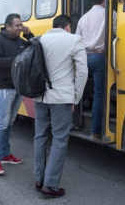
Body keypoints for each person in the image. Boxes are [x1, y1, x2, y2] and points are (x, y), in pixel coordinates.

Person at [33, 15, 87, 197]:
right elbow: (82, 72)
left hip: (40, 97)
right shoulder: (74, 40)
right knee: (59, 139)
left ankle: (39, 180)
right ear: (68, 27)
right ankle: (50, 185)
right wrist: (76, 98)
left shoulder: (39, 40)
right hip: (62, 98)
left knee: (40, 136)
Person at [0, 13, 34, 175]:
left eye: (21, 25)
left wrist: (29, 35)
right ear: (7, 26)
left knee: (9, 123)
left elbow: (35, 47)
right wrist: (16, 60)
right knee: (2, 123)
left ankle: (5, 154)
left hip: (17, 87)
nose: (20, 28)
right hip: (3, 88)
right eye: (17, 26)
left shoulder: (21, 41)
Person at [76, 0, 117, 139]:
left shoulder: (83, 18)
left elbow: (77, 40)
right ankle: (95, 131)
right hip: (100, 58)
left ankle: (75, 121)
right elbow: (117, 32)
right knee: (100, 94)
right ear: (104, 0)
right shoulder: (110, 14)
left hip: (84, 57)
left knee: (80, 90)